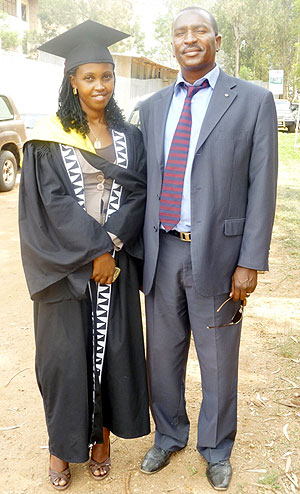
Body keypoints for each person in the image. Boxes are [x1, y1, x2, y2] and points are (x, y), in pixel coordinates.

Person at [139, 6, 277, 491]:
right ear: (172, 44)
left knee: (218, 357)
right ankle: (169, 435)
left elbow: (262, 185)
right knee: (163, 353)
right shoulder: (153, 108)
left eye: (200, 31)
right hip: (161, 251)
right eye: (181, 33)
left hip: (218, 256)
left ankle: (217, 447)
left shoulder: (253, 101)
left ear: (216, 41)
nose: (190, 39)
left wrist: (250, 260)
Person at [19, 20, 150, 491]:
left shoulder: (130, 137)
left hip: (113, 265)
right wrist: (94, 251)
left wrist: (111, 247)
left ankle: (101, 442)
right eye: (89, 77)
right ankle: (61, 447)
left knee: (113, 355)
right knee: (63, 360)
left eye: (107, 76)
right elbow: (49, 202)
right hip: (66, 268)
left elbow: (139, 196)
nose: (100, 85)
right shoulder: (48, 137)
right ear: (72, 81)